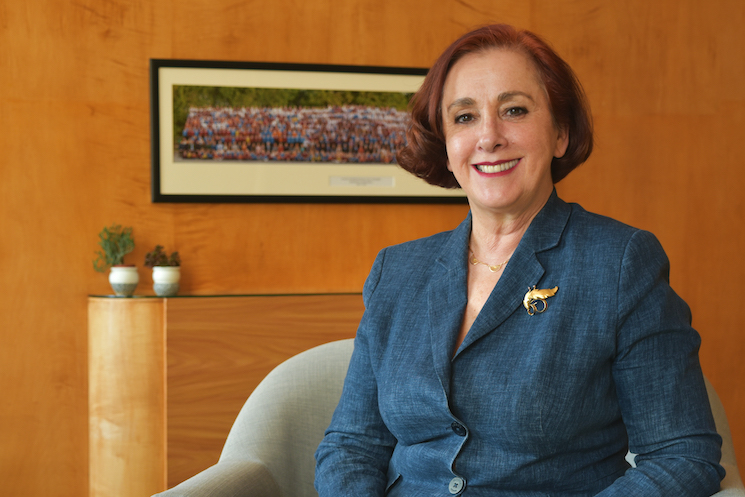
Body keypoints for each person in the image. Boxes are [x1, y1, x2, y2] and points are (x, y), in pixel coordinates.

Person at [314, 24, 725, 496]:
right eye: (464, 118)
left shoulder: (620, 263)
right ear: (447, 148)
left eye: (514, 110)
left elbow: (682, 455)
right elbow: (352, 444)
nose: (488, 137)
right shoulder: (396, 272)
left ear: (560, 134)